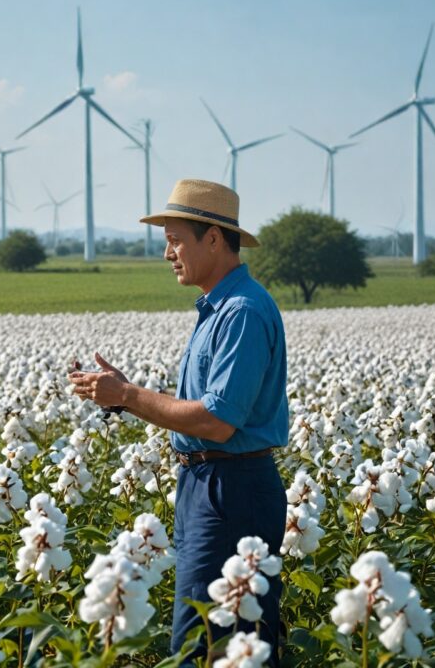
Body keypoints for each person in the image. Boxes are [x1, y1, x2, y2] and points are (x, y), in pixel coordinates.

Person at [68, 178, 288, 666]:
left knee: (208, 644)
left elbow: (216, 420)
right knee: (220, 638)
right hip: (208, 485)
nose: (168, 253)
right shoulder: (217, 309)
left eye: (175, 240)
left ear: (213, 238)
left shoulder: (242, 313)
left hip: (232, 489)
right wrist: (123, 397)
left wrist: (125, 395)